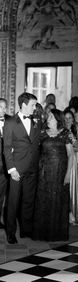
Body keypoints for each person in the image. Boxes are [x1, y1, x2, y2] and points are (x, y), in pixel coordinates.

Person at [3, 92, 41, 244]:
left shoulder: (36, 121)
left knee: (28, 201)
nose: (35, 107)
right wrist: (12, 170)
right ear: (24, 105)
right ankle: (10, 232)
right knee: (13, 202)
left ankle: (26, 230)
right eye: (33, 105)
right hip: (17, 170)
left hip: (32, 168)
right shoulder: (11, 122)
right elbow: (6, 148)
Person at [32, 109, 73, 241]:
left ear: (56, 118)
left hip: (60, 172)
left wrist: (68, 175)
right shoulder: (42, 133)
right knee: (44, 200)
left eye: (50, 117)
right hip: (44, 172)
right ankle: (42, 233)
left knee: (58, 200)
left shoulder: (65, 133)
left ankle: (57, 233)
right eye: (47, 117)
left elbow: (71, 155)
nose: (47, 119)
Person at [64, 109, 78, 224]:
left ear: (73, 119)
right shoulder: (60, 130)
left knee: (73, 189)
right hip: (63, 162)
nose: (67, 120)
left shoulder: (76, 130)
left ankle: (72, 215)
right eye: (66, 118)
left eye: (70, 118)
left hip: (75, 162)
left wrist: (74, 147)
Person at [0, 98, 10, 229]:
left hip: (4, 164)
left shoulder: (10, 122)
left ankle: (0, 218)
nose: (2, 109)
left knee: (2, 194)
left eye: (4, 107)